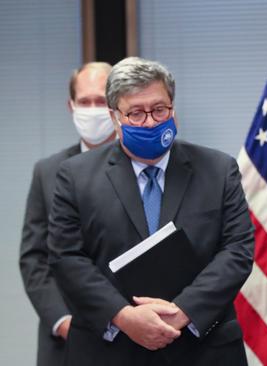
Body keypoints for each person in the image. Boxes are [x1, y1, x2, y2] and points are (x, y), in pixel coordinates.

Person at [47, 57, 254, 366]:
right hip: (109, 350)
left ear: (173, 108)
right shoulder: (74, 176)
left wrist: (182, 312)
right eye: (136, 113)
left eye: (159, 110)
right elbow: (66, 258)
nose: (150, 122)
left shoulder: (219, 169)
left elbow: (237, 250)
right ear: (115, 117)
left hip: (203, 349)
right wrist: (124, 317)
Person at [19, 61, 115, 366]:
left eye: (101, 101)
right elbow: (34, 258)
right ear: (70, 105)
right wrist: (61, 320)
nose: (92, 109)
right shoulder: (48, 172)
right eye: (84, 102)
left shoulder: (143, 169)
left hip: (134, 339)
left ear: (117, 104)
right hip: (66, 342)